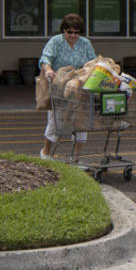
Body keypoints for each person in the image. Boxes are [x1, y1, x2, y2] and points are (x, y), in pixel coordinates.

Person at [38, 14, 96, 162]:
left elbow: (92, 62)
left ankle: (76, 158)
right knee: (56, 120)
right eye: (69, 32)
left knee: (81, 121)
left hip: (79, 86)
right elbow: (45, 59)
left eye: (76, 32)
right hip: (59, 85)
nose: (73, 35)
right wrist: (49, 70)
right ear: (63, 30)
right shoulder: (56, 42)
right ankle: (46, 152)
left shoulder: (85, 44)